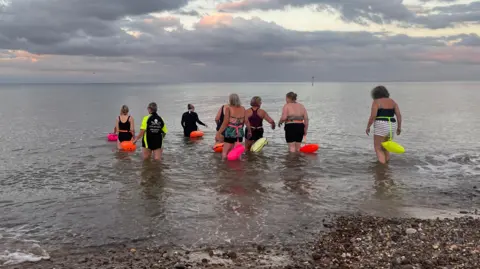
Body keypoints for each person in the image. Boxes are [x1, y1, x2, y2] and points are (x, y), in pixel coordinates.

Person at [366, 85, 402, 164]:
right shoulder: (393, 102)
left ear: (375, 94)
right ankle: (387, 165)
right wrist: (399, 128)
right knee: (386, 147)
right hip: (392, 124)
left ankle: (382, 168)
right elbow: (399, 115)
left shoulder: (376, 102)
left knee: (378, 148)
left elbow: (373, 116)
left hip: (381, 124)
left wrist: (368, 127)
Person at [216, 94, 252, 159]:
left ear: (230, 100)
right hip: (240, 132)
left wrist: (219, 133)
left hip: (230, 132)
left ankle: (223, 165)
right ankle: (238, 165)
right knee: (237, 151)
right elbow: (246, 121)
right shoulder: (243, 108)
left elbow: (225, 123)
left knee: (225, 151)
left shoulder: (228, 108)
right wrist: (249, 131)